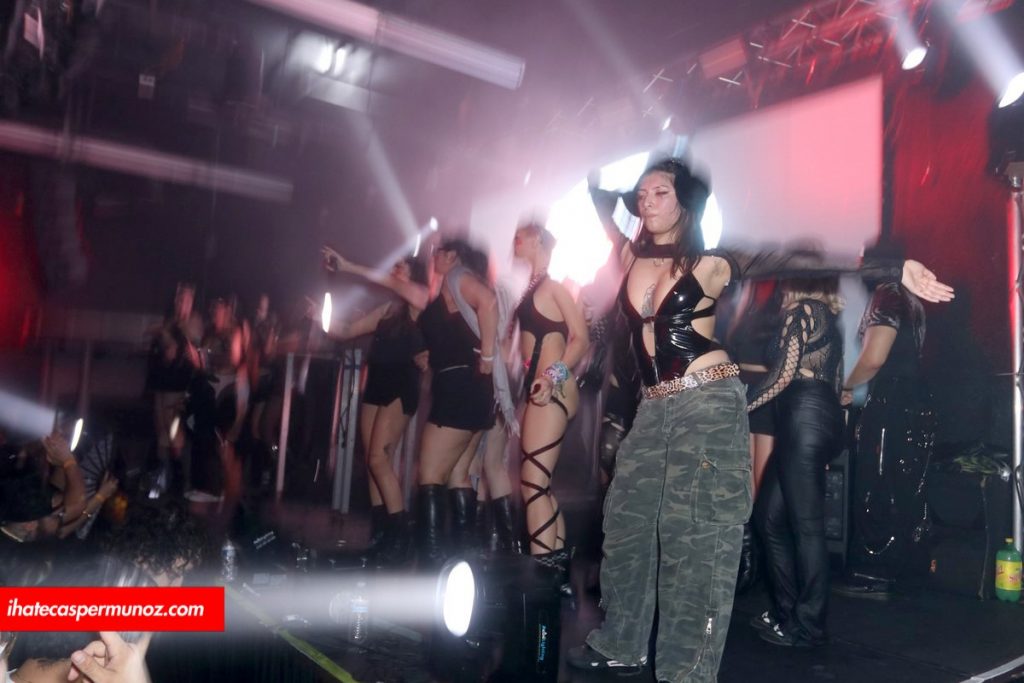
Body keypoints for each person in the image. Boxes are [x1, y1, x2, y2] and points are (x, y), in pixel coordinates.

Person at [569, 157, 953, 681]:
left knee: (695, 534)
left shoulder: (713, 261)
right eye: (642, 194)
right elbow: (602, 206)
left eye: (660, 192)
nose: (647, 201)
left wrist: (891, 269)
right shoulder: (631, 253)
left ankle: (686, 671)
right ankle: (622, 642)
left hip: (706, 401)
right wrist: (601, 181)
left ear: (685, 201)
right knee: (627, 520)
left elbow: (792, 259)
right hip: (654, 407)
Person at [746, 270, 845, 647]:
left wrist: (739, 406)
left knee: (806, 526)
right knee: (768, 518)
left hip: (803, 416)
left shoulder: (803, 310)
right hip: (813, 418)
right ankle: (787, 613)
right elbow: (835, 383)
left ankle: (808, 626)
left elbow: (783, 375)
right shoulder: (826, 317)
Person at [836, 241, 934, 598]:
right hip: (914, 400)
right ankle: (903, 571)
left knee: (877, 486)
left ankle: (873, 573)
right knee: (905, 489)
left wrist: (846, 385)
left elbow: (875, 356)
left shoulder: (887, 295)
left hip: (891, 403)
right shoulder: (909, 298)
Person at [321, 247, 429, 564]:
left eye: (401, 267)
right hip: (377, 385)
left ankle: (400, 532)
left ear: (415, 273)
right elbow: (347, 331)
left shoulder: (420, 298)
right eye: (394, 266)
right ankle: (381, 532)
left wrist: (349, 265)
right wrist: (321, 319)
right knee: (372, 462)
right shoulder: (387, 309)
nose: (395, 270)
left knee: (379, 459)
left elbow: (392, 284)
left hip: (401, 385)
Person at [511, 222, 589, 582]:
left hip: (553, 389)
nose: (514, 241)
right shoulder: (535, 286)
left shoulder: (553, 288)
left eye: (520, 236)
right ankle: (556, 572)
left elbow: (580, 339)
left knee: (533, 484)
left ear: (537, 241)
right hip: (544, 389)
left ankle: (542, 578)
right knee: (538, 484)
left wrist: (550, 376)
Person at [415, 238, 500, 567]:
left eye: (437, 252)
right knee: (458, 475)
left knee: (430, 474)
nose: (433, 257)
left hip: (459, 388)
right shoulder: (454, 284)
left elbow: (488, 302)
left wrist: (488, 355)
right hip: (472, 388)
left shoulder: (456, 276)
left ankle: (432, 562)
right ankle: (464, 558)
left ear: (451, 256)